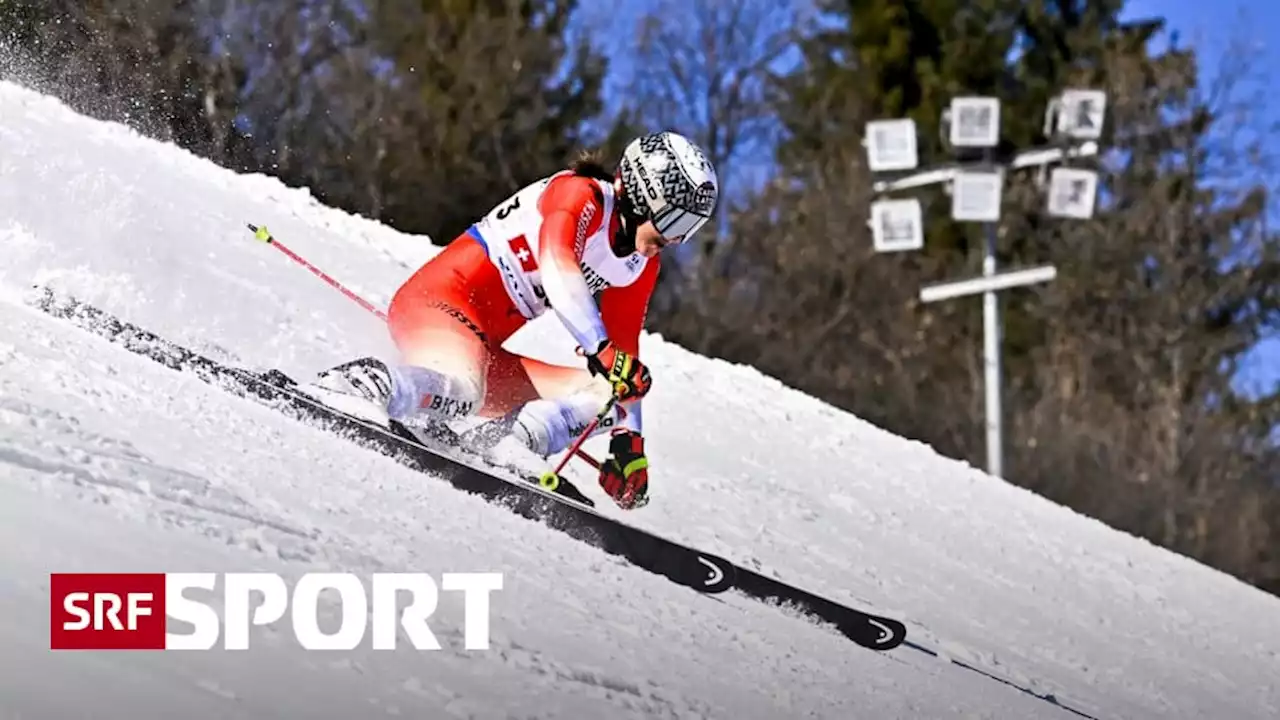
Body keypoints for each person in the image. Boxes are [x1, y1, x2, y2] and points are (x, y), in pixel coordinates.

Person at [309, 131, 719, 510]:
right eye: (675, 222)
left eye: (690, 230)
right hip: (437, 303)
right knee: (466, 390)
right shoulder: (579, 195)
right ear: (643, 195)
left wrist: (629, 444)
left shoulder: (638, 264)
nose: (676, 239)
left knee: (610, 394)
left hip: (482, 351)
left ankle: (510, 442)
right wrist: (600, 348)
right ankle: (362, 384)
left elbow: (625, 353)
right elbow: (559, 270)